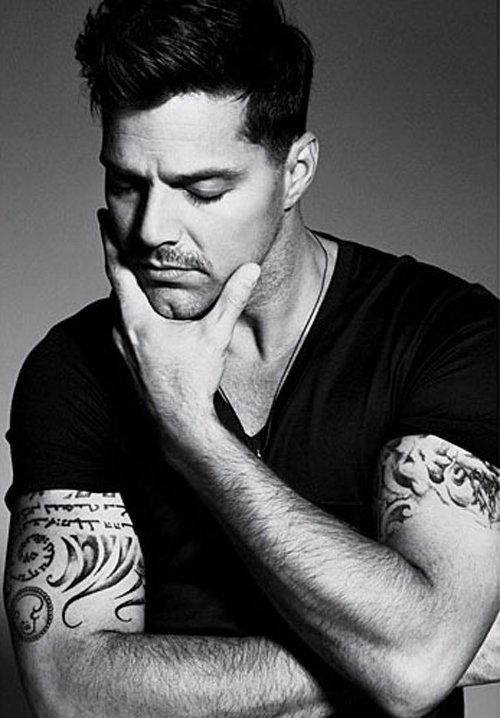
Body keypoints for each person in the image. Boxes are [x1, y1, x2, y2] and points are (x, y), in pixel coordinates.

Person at [4, 1, 499, 716]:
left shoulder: (441, 333)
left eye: (202, 190)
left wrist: (195, 436)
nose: (151, 230)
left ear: (295, 171)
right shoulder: (73, 370)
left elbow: (419, 659)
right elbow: (70, 692)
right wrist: (394, 659)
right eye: (126, 184)